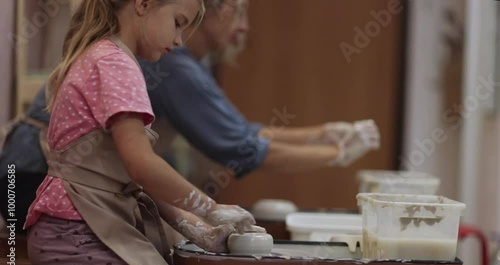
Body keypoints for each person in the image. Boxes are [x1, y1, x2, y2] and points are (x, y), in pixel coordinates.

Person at [0, 0, 380, 232]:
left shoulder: (166, 57)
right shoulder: (164, 64)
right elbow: (238, 147)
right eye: (239, 9)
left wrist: (327, 134)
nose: (245, 27)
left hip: (34, 178)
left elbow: (241, 133)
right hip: (32, 176)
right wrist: (338, 154)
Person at [21, 0, 259, 265]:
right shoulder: (115, 63)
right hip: (74, 233)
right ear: (144, 4)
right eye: (178, 23)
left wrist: (202, 229)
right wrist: (212, 208)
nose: (178, 40)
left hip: (66, 229)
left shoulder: (106, 55)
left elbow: (139, 180)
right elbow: (142, 166)